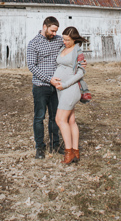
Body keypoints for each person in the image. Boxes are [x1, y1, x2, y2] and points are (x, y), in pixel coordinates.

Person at [26, 16, 66, 159]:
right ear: (45, 27)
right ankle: (40, 148)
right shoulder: (33, 44)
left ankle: (55, 145)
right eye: (52, 30)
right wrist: (49, 79)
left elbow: (72, 48)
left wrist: (81, 61)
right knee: (39, 117)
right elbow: (32, 66)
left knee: (55, 117)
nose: (54, 33)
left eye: (56, 31)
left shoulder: (59, 40)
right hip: (41, 86)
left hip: (56, 87)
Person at [51, 26, 87, 164]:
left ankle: (68, 152)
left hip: (70, 89)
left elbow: (80, 72)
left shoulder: (78, 51)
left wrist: (65, 84)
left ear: (74, 39)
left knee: (60, 120)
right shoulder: (63, 48)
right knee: (71, 120)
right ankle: (76, 152)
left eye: (67, 40)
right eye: (63, 39)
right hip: (61, 90)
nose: (64, 41)